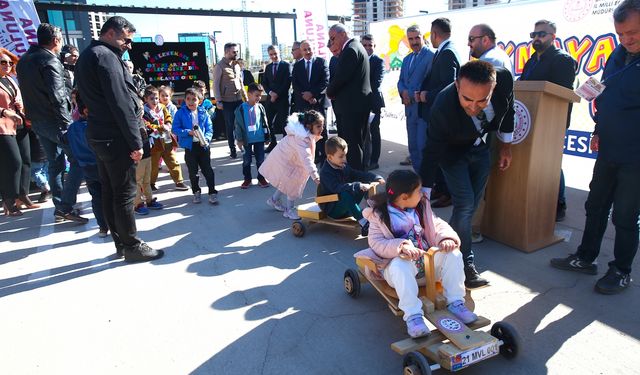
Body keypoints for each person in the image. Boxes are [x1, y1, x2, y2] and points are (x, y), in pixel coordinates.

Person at [550, 0, 640, 294]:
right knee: (595, 206)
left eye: (634, 32)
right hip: (609, 149)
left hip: (635, 157)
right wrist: (599, 129)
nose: (627, 39)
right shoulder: (618, 54)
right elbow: (607, 94)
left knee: (625, 216)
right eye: (621, 33)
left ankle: (621, 271)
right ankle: (585, 258)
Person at [75, 16, 164, 262]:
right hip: (115, 137)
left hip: (101, 134)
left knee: (111, 192)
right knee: (124, 193)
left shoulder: (89, 54)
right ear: (112, 33)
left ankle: (121, 243)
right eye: (127, 39)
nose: (129, 45)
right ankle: (131, 246)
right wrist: (136, 142)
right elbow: (120, 103)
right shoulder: (106, 57)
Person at [420, 60, 514, 289]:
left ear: (493, 87)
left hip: (481, 148)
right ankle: (464, 264)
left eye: (482, 100)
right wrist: (423, 194)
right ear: (456, 86)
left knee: (472, 205)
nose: (473, 107)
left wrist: (506, 146)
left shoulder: (505, 80)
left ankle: (444, 252)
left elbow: (509, 109)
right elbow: (432, 151)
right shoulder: (442, 105)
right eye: (467, 99)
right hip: (452, 154)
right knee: (464, 204)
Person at [355, 169, 477, 338]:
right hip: (401, 271)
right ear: (404, 197)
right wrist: (401, 246)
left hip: (427, 265)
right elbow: (376, 243)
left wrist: (445, 238)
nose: (422, 193)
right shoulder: (379, 216)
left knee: (453, 255)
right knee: (399, 264)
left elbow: (437, 224)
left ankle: (456, 302)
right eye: (418, 191)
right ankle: (413, 316)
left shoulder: (421, 206)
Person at [16, 23, 87, 223]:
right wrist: (66, 126)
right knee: (78, 160)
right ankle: (65, 207)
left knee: (55, 164)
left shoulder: (23, 61)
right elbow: (57, 96)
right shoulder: (49, 60)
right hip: (55, 122)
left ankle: (61, 207)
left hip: (38, 122)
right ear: (56, 40)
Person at [520, 20, 578, 221]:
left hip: (551, 123)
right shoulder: (531, 60)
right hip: (530, 120)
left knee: (550, 163)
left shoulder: (562, 60)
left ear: (553, 37)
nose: (536, 38)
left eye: (542, 34)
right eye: (533, 34)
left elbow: (561, 94)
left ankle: (558, 203)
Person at [467, 24, 515, 244]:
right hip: (488, 131)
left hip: (485, 132)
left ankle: (471, 229)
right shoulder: (496, 57)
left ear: (485, 39)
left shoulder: (492, 62)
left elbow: (490, 107)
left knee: (477, 180)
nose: (469, 44)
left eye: (472, 39)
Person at [418, 18, 464, 209]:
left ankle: (447, 193)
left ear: (434, 34)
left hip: (443, 115)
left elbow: (449, 86)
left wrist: (426, 96)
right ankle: (439, 188)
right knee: (435, 153)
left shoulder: (448, 52)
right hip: (436, 114)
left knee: (443, 154)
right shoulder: (443, 51)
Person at [260, 110, 324, 220]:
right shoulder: (301, 138)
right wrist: (315, 176)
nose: (322, 129)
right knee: (293, 184)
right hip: (289, 162)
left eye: (322, 126)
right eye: (318, 126)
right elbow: (306, 158)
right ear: (309, 126)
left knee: (286, 181)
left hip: (290, 160)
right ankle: (290, 210)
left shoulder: (304, 133)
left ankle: (274, 200)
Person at [326, 23, 372, 171]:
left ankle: (357, 181)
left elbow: (341, 78)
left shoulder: (351, 49)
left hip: (352, 107)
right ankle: (360, 177)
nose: (332, 42)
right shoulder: (355, 47)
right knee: (356, 143)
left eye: (333, 38)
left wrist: (329, 91)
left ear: (342, 34)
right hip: (355, 105)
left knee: (352, 145)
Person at [318, 136, 384, 236]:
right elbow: (336, 188)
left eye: (345, 155)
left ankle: (373, 212)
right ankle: (363, 223)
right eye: (341, 156)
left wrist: (374, 177)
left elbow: (357, 174)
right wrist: (357, 185)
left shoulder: (342, 165)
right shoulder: (325, 173)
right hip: (331, 208)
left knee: (362, 184)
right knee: (346, 193)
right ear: (330, 157)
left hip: (344, 204)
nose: (344, 159)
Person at [65, 93, 109, 237]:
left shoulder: (72, 128)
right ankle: (112, 224)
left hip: (86, 167)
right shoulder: (93, 128)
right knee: (109, 195)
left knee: (96, 197)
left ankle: (102, 227)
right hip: (100, 165)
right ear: (86, 110)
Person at [0, 48, 34, 216]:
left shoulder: (11, 79)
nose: (7, 65)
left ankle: (23, 194)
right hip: (3, 125)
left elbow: (18, 99)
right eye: (3, 62)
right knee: (13, 162)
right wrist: (4, 111)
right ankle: (8, 199)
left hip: (20, 123)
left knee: (26, 160)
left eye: (9, 62)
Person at [397, 25, 434, 170]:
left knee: (422, 147)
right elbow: (400, 81)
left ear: (423, 37)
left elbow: (430, 82)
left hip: (423, 111)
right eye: (410, 39)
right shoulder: (407, 59)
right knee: (413, 147)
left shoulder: (431, 56)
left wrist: (410, 93)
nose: (414, 42)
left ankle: (426, 184)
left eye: (417, 38)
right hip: (409, 110)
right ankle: (418, 180)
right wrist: (403, 92)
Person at [172, 88, 219, 205]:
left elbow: (209, 128)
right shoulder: (180, 113)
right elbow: (175, 129)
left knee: (207, 170)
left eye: (194, 99)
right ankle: (196, 191)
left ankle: (212, 192)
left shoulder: (203, 112)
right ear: (185, 100)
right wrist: (188, 132)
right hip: (190, 147)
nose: (191, 102)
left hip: (203, 146)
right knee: (193, 172)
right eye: (188, 99)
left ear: (200, 100)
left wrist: (207, 139)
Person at [142, 85, 187, 192]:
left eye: (156, 98)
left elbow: (168, 117)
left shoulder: (162, 107)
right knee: (154, 164)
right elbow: (146, 124)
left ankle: (179, 181)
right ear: (146, 99)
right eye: (152, 99)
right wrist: (158, 127)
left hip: (166, 138)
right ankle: (151, 183)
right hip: (155, 141)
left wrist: (168, 123)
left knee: (172, 160)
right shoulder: (145, 111)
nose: (155, 101)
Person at [291, 40, 329, 163]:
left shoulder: (321, 62)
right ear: (301, 51)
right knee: (307, 131)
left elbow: (325, 81)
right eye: (304, 50)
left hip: (318, 102)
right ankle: (313, 155)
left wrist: (313, 95)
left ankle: (325, 156)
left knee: (321, 130)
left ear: (313, 49)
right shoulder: (297, 65)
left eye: (309, 49)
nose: (307, 52)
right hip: (303, 104)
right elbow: (295, 84)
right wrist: (305, 96)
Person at [213, 42, 247, 159]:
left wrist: (246, 98)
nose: (236, 53)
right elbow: (216, 85)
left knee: (242, 124)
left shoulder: (237, 65)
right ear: (226, 52)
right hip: (226, 102)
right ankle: (232, 149)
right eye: (234, 51)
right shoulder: (219, 66)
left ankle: (245, 146)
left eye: (237, 51)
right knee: (230, 125)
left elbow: (241, 82)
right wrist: (218, 101)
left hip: (238, 100)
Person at [234, 83, 270, 189]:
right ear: (249, 94)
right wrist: (239, 139)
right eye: (256, 95)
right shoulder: (241, 109)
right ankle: (247, 179)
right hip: (246, 140)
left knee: (261, 160)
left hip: (259, 138)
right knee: (247, 160)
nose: (259, 98)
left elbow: (265, 123)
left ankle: (261, 178)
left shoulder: (260, 107)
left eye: (260, 95)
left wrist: (267, 136)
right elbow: (238, 125)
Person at [360, 34, 385, 171]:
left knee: (374, 132)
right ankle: (365, 159)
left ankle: (374, 160)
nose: (368, 48)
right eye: (365, 45)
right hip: (359, 103)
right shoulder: (357, 60)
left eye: (370, 45)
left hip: (373, 103)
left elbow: (376, 83)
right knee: (363, 133)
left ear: (374, 46)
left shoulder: (379, 61)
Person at [262, 45, 291, 153]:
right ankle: (273, 143)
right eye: (271, 54)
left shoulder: (286, 65)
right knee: (268, 122)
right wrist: (270, 93)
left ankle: (284, 145)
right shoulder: (268, 67)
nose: (273, 56)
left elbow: (287, 83)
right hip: (270, 100)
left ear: (279, 53)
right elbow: (264, 83)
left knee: (285, 123)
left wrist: (276, 94)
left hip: (282, 99)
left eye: (275, 54)